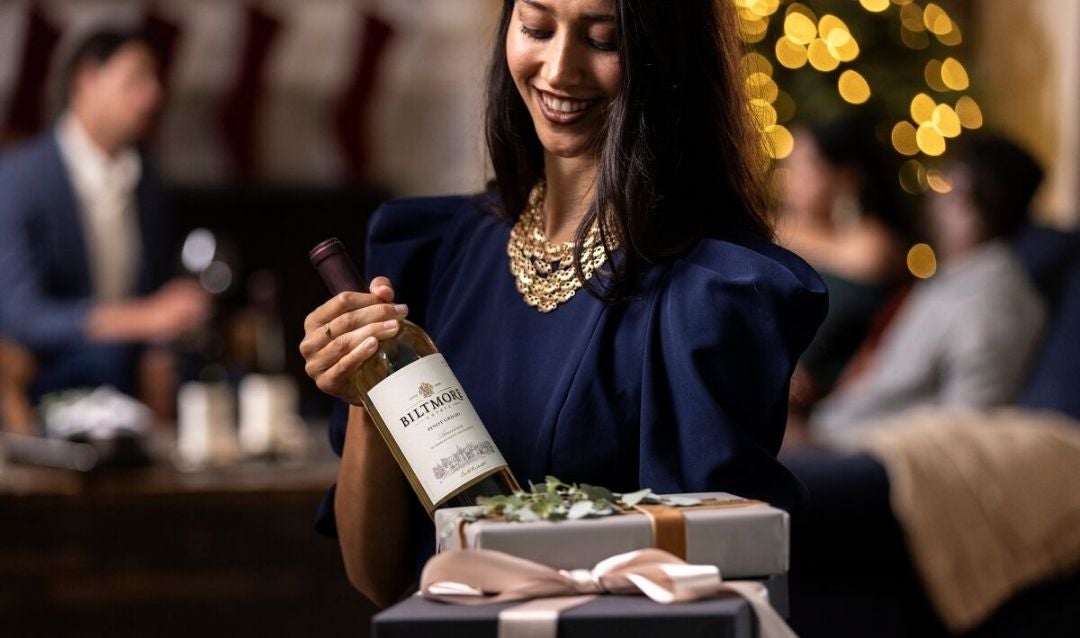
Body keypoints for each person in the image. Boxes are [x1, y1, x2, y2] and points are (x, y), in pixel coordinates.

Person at [299, 0, 827, 606]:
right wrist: (369, 386)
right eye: (537, 29)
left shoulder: (706, 296)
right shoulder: (435, 255)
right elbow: (379, 579)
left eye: (602, 40)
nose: (558, 69)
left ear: (665, 56)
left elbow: (711, 582)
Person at [0, 29, 209, 402]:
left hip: (135, 371)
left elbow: (152, 290)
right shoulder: (20, 180)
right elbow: (23, 315)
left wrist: (165, 327)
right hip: (57, 377)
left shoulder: (146, 181)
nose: (153, 94)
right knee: (105, 359)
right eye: (136, 78)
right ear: (87, 78)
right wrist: (143, 318)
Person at [809, 132, 1047, 446]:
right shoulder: (955, 279)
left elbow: (963, 433)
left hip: (859, 458)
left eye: (947, 186)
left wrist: (831, 446)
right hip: (834, 434)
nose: (936, 198)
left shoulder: (992, 301)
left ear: (965, 196)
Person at [776, 116, 908, 400]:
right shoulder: (783, 232)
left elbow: (867, 256)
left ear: (845, 177)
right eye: (789, 166)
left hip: (831, 399)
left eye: (806, 166)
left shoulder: (872, 243)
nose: (792, 179)